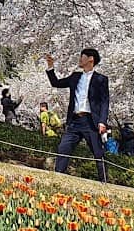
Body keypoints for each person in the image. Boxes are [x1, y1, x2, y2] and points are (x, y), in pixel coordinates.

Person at [46, 48, 110, 182]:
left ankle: (104, 182)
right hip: (75, 120)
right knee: (63, 147)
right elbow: (56, 83)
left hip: (91, 121)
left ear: (91, 59)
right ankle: (58, 177)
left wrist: (102, 121)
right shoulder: (75, 77)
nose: (80, 60)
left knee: (98, 152)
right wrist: (51, 67)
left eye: (82, 57)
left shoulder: (101, 79)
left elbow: (104, 102)